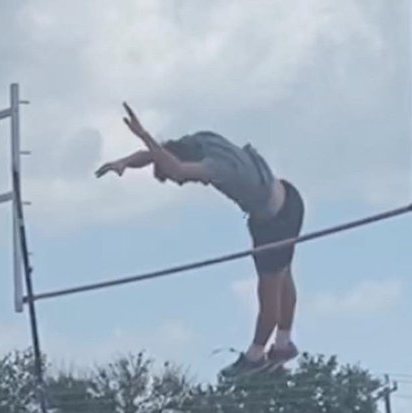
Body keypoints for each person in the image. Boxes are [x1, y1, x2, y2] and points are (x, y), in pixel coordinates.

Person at [96, 104, 304, 379]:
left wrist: (144, 134)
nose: (180, 183)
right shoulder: (203, 140)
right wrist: (126, 162)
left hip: (274, 224)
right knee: (283, 274)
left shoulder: (216, 168)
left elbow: (177, 167)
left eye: (173, 180)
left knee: (269, 296)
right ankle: (283, 345)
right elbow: (160, 155)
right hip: (289, 198)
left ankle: (255, 357)